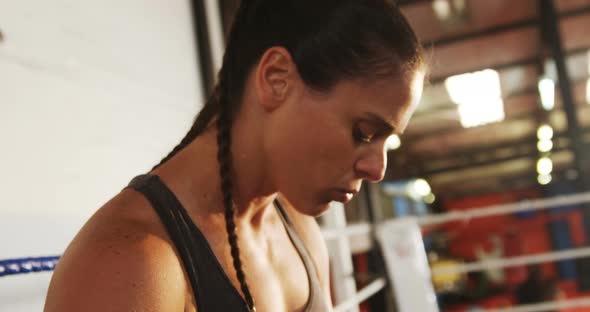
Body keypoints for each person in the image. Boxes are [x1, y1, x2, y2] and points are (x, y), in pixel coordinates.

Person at [44, 0, 426, 311]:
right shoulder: (132, 263)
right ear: (277, 79)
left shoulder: (297, 228)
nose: (377, 169)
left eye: (386, 142)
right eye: (364, 132)